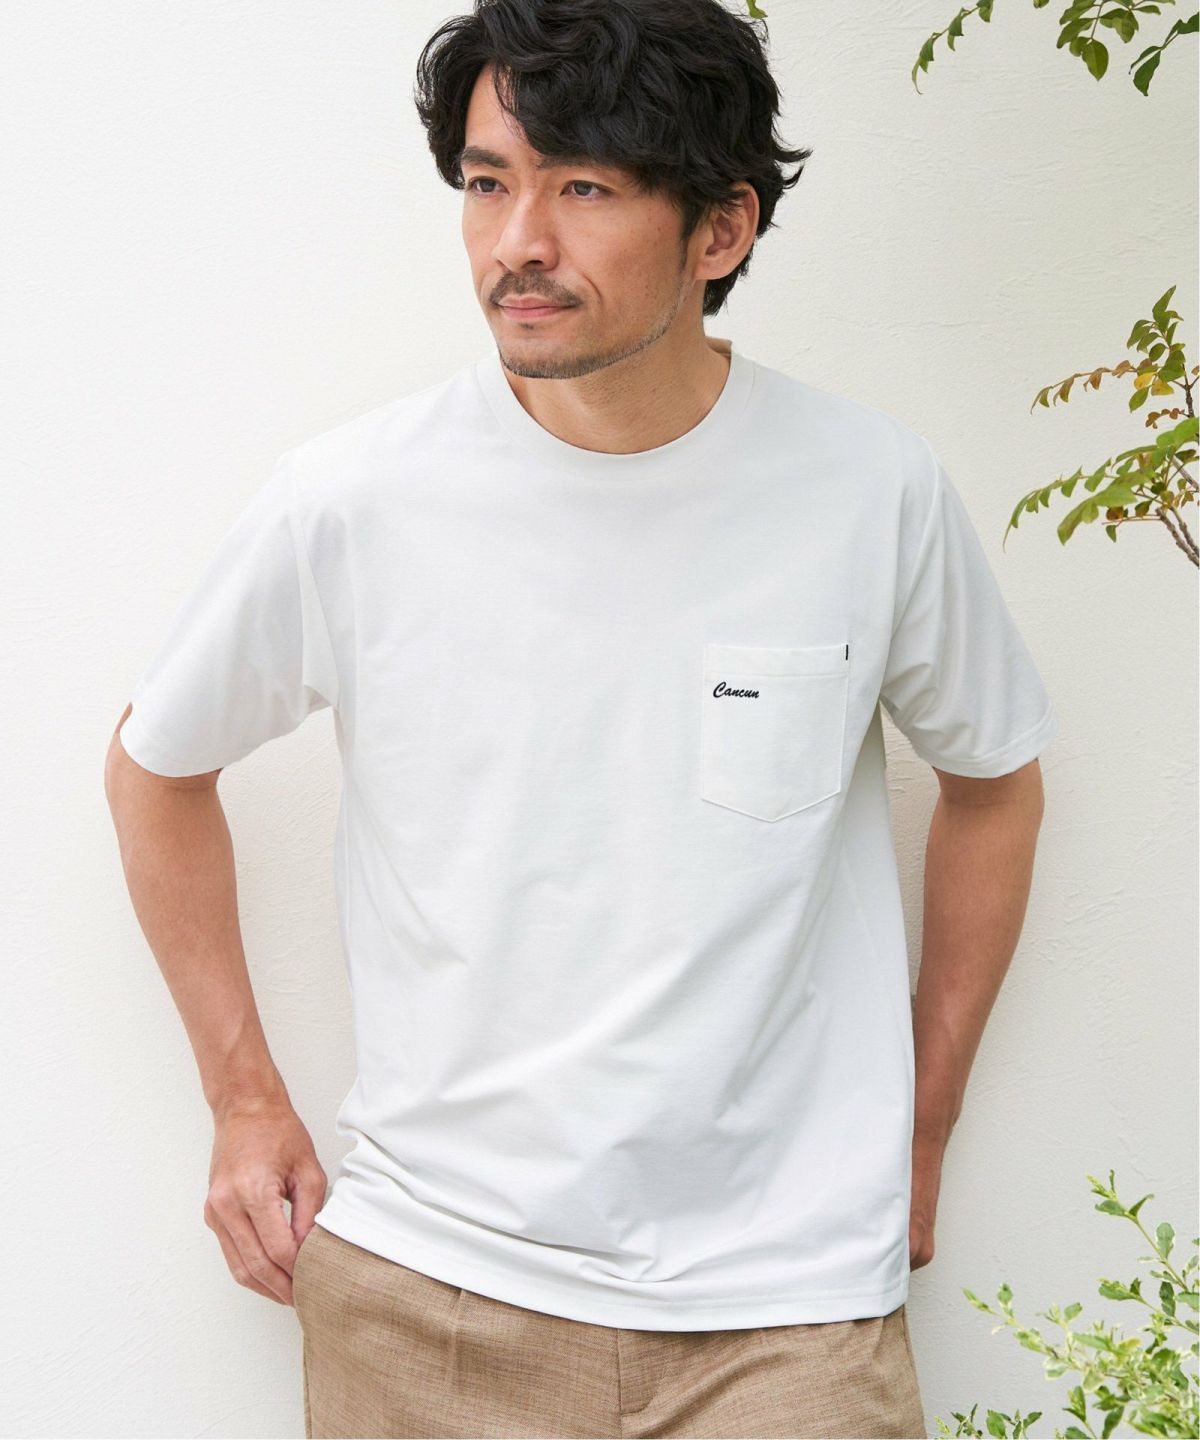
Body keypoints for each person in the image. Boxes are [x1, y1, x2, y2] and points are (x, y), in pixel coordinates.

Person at [104, 1, 1058, 1436]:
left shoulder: (872, 491)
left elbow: (995, 782)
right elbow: (156, 770)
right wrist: (244, 1099)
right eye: (489, 182)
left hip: (789, 1314)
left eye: (586, 188)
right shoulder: (354, 502)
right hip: (428, 1290)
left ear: (720, 228)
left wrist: (923, 1125)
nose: (517, 243)